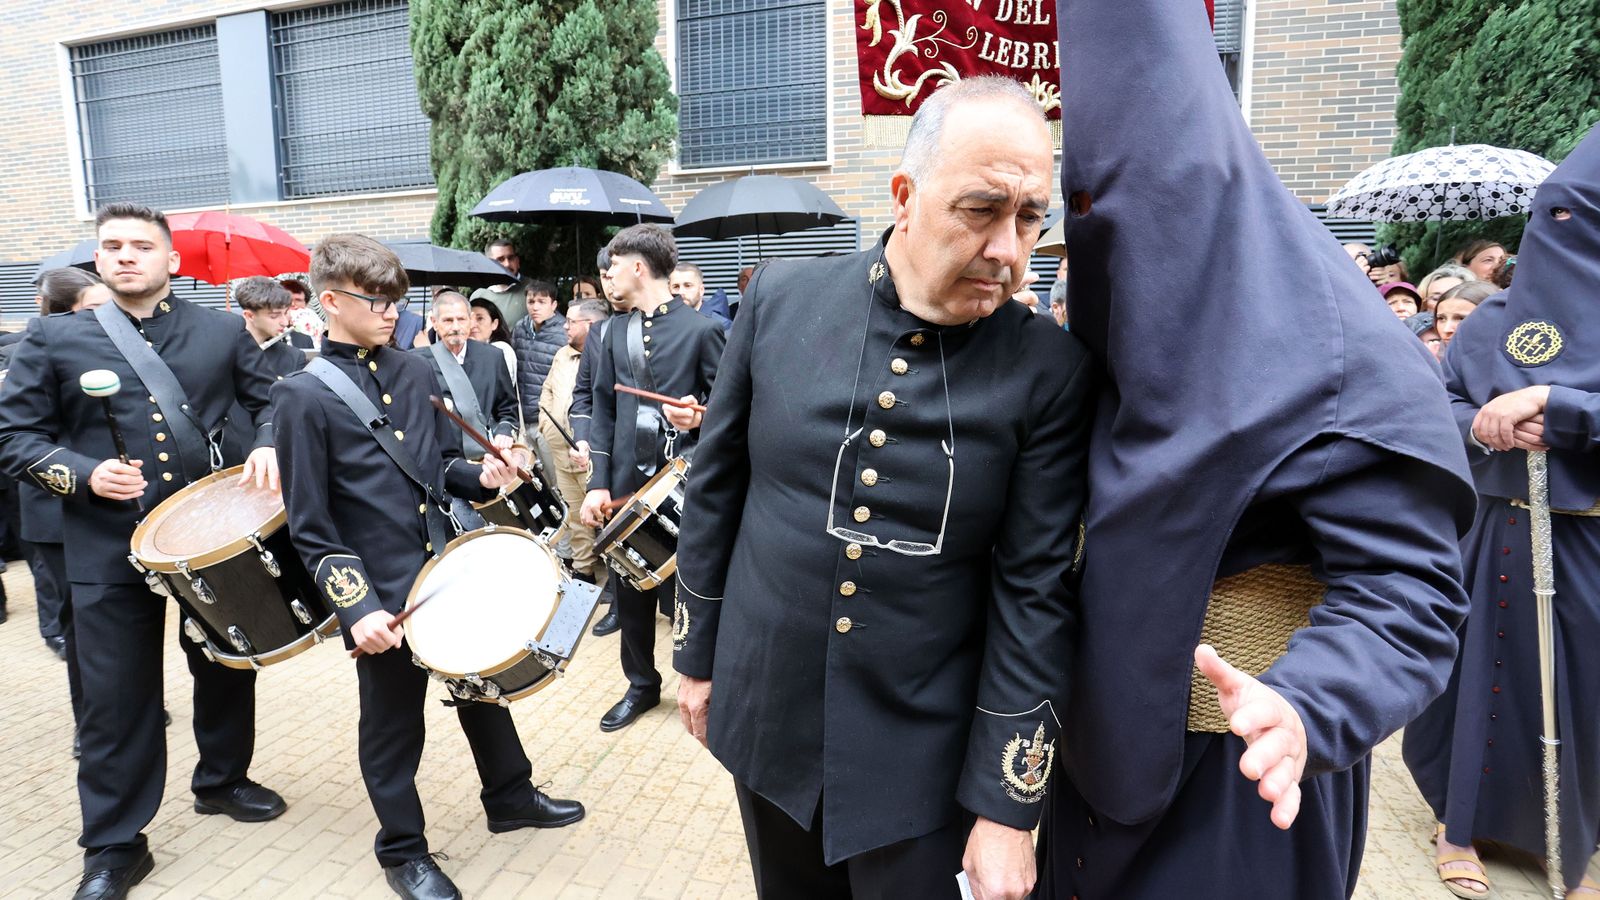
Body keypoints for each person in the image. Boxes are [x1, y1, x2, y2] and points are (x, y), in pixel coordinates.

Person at [1035, 3, 1475, 898]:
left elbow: (1412, 587)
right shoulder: (1115, 338)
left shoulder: (1333, 346)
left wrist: (1311, 701)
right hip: (1090, 764)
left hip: (1242, 775)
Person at [671, 76, 1092, 900]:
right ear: (905, 195)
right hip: (766, 717)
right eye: (982, 210)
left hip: (922, 755)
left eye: (1031, 217)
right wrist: (694, 655)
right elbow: (716, 488)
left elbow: (1034, 591)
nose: (1011, 250)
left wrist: (1009, 806)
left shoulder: (1048, 372)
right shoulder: (782, 303)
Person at [272, 234, 583, 900]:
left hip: (442, 566)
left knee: (480, 689)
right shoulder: (301, 395)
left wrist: (487, 475)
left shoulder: (414, 371)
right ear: (329, 300)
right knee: (392, 726)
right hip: (382, 591)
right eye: (375, 300)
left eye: (396, 300)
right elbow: (312, 527)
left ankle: (510, 796)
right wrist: (358, 611)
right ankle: (402, 851)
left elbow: (441, 466)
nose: (392, 313)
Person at [0, 203, 290, 900]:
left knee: (226, 666)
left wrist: (273, 440)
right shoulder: (52, 337)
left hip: (209, 537)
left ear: (172, 262)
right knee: (114, 699)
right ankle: (114, 844)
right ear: (98, 260)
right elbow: (15, 437)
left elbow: (274, 400)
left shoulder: (222, 330)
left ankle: (221, 780)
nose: (125, 255)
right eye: (112, 246)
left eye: (140, 246)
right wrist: (81, 472)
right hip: (105, 543)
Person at [1403, 125, 1600, 900]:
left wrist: (1564, 405)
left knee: (1583, 692)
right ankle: (1460, 826)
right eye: (1554, 217)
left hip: (1590, 540)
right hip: (1500, 531)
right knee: (1479, 675)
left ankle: (1571, 841)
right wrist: (1482, 424)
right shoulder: (1490, 321)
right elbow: (1434, 411)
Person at [578, 224, 724, 733]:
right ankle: (641, 685)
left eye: (614, 265)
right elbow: (601, 406)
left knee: (697, 590)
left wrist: (701, 415)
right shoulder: (609, 332)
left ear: (637, 267)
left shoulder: (704, 331)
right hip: (624, 486)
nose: (608, 276)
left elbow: (734, 410)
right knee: (629, 592)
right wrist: (597, 480)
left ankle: (707, 681)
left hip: (687, 485)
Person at [569, 251, 624, 637]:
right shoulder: (600, 335)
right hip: (610, 455)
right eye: (602, 274)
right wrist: (584, 439)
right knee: (615, 540)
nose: (608, 281)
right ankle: (620, 606)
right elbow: (584, 396)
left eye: (612, 273)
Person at [538, 299, 610, 590]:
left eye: (571, 321)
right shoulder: (562, 355)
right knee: (575, 517)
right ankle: (584, 573)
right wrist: (546, 426)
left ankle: (617, 580)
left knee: (605, 518)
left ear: (590, 325)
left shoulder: (608, 354)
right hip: (561, 456)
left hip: (594, 458)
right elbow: (546, 393)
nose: (564, 326)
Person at [418, 291, 520, 462]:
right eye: (448, 320)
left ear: (471, 320)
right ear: (435, 323)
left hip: (486, 459)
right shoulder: (417, 361)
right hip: (439, 460)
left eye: (461, 319)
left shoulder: (493, 357)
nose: (456, 327)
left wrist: (504, 431)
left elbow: (507, 408)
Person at [222, 276, 309, 469]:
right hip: (230, 450)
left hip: (276, 451)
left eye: (286, 313)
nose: (284, 321)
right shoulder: (221, 350)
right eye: (274, 315)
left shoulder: (293, 356)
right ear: (249, 315)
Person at [510, 279, 566, 483]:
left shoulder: (563, 332)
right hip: (523, 420)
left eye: (542, 301)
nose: (535, 307)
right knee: (532, 481)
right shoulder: (520, 328)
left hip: (548, 419)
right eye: (531, 301)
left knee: (557, 478)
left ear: (554, 304)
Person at [469, 238, 529, 330]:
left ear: (517, 261)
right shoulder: (479, 296)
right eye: (500, 260)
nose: (507, 264)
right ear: (488, 264)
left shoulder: (534, 290)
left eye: (511, 258)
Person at [1434, 280, 1498, 351]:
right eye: (1441, 318)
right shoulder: (1431, 359)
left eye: (1461, 318)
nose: (1446, 329)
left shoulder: (1507, 360)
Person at [670, 262, 732, 332]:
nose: (681, 292)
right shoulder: (664, 323)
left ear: (701, 290)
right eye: (676, 287)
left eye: (688, 286)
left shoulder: (722, 326)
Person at [468, 297, 517, 379]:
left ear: (494, 324)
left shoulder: (502, 350)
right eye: (469, 319)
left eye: (480, 319)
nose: (473, 325)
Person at [278, 277, 321, 349]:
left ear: (306, 304)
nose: (292, 304)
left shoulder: (311, 317)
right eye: (288, 299)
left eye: (298, 300)